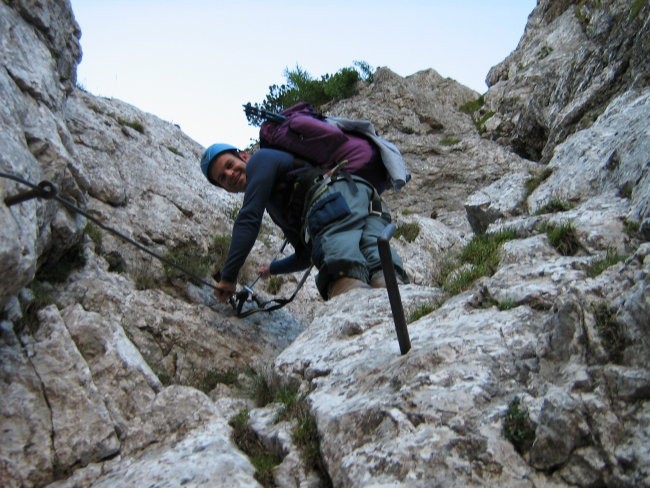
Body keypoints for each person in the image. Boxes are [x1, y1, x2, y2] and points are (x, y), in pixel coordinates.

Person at [200, 132, 408, 304]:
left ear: (244, 156)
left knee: (344, 277)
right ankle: (403, 310)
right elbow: (305, 255)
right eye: (223, 178)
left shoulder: (260, 160)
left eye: (229, 165)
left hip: (332, 200)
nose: (230, 174)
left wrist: (228, 277)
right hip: (363, 198)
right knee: (381, 269)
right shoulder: (278, 202)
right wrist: (274, 269)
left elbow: (248, 219)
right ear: (226, 189)